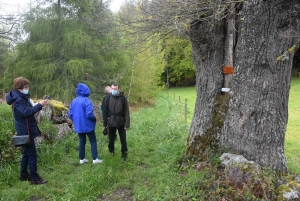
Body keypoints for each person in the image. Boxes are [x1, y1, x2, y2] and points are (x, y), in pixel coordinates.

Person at [6, 77, 48, 185]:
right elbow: (26, 112)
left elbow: (27, 110)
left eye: (28, 86)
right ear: (19, 87)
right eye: (25, 87)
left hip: (25, 128)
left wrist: (36, 105)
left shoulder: (20, 97)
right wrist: (40, 105)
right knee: (32, 154)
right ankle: (34, 178)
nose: (27, 88)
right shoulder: (19, 99)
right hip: (26, 130)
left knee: (26, 153)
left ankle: (24, 175)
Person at [68, 83, 103, 164]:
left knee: (82, 141)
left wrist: (75, 120)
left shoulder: (74, 101)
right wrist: (94, 119)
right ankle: (95, 159)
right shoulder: (87, 101)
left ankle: (82, 159)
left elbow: (70, 114)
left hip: (79, 125)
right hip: (88, 125)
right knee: (93, 140)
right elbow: (89, 114)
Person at [102, 83, 130, 161]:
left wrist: (126, 124)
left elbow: (126, 111)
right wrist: (105, 124)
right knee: (111, 140)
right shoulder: (107, 98)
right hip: (111, 122)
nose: (114, 90)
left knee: (123, 140)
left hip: (121, 121)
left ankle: (124, 155)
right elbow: (105, 111)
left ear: (119, 89)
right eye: (112, 88)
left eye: (115, 89)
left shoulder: (123, 98)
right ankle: (111, 152)